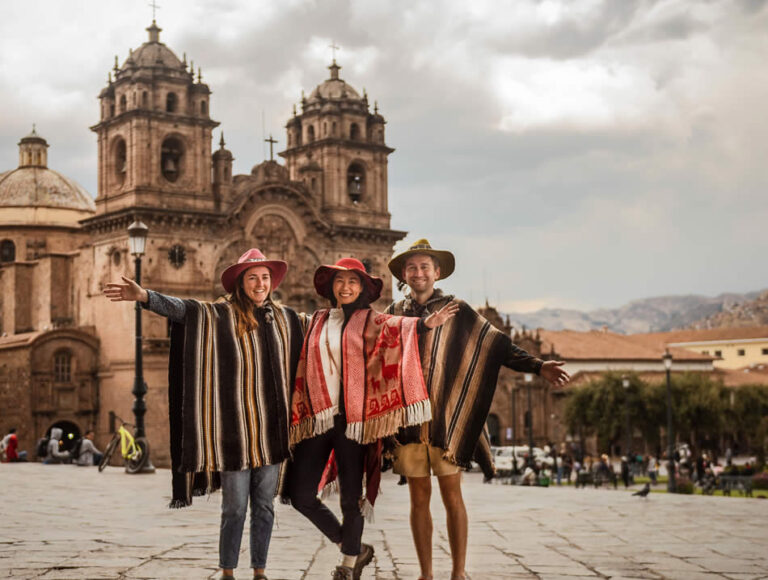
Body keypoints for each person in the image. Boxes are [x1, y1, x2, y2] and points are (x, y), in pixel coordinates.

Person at [104, 248, 305, 580]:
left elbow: (324, 328)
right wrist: (145, 296)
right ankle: (227, 571)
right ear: (240, 283)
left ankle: (259, 570)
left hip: (272, 432)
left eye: (265, 277)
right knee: (235, 507)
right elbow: (184, 310)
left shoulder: (284, 319)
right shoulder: (219, 315)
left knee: (265, 506)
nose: (260, 284)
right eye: (253, 277)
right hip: (233, 434)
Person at [385, 239, 570, 580]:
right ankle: (425, 573)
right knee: (418, 499)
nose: (419, 272)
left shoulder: (458, 310)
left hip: (447, 419)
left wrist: (537, 365)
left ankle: (458, 572)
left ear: (437, 272)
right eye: (411, 267)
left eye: (425, 266)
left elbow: (496, 344)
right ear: (403, 274)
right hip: (409, 422)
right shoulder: (395, 313)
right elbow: (378, 351)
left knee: (452, 495)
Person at [287, 257, 457, 580]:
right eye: (340, 281)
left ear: (363, 288)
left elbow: (398, 327)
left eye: (353, 281)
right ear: (331, 287)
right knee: (301, 495)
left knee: (352, 497)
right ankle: (351, 544)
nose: (346, 287)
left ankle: (349, 566)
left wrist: (424, 325)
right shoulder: (317, 321)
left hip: (355, 422)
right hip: (319, 417)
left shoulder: (372, 320)